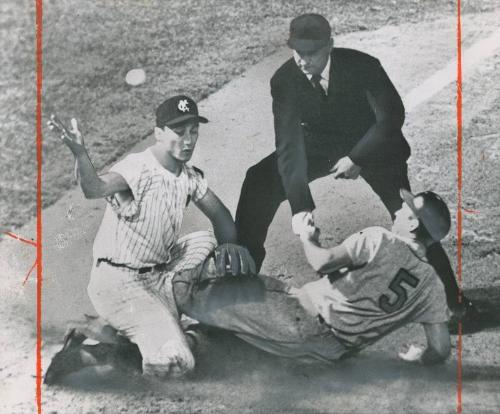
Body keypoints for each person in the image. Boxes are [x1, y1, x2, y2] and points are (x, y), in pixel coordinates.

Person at [44, 189, 453, 384]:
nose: (399, 208)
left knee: (196, 283)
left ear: (414, 224)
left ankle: (119, 319)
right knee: (206, 349)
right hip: (324, 354)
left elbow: (321, 262)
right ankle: (92, 354)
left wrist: (305, 232)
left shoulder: (382, 238)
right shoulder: (433, 287)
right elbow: (438, 350)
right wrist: (419, 356)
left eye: (406, 207)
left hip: (293, 317)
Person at [234, 13, 475, 321]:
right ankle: (238, 287)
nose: (303, 60)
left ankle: (453, 305)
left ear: (330, 46)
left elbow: (391, 117)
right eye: (298, 51)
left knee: (412, 215)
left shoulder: (363, 66)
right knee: (258, 181)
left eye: (312, 53)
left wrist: (357, 158)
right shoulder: (283, 80)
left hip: (372, 142)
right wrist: (300, 207)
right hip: (319, 145)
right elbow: (289, 146)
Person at [46, 95, 256, 379]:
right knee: (177, 362)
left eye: (194, 131)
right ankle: (97, 350)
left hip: (157, 275)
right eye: (179, 132)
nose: (188, 140)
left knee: (211, 245)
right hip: (120, 283)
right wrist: (81, 154)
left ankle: (119, 328)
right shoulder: (138, 168)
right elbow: (94, 188)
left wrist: (230, 243)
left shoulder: (188, 176)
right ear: (158, 133)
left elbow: (220, 215)